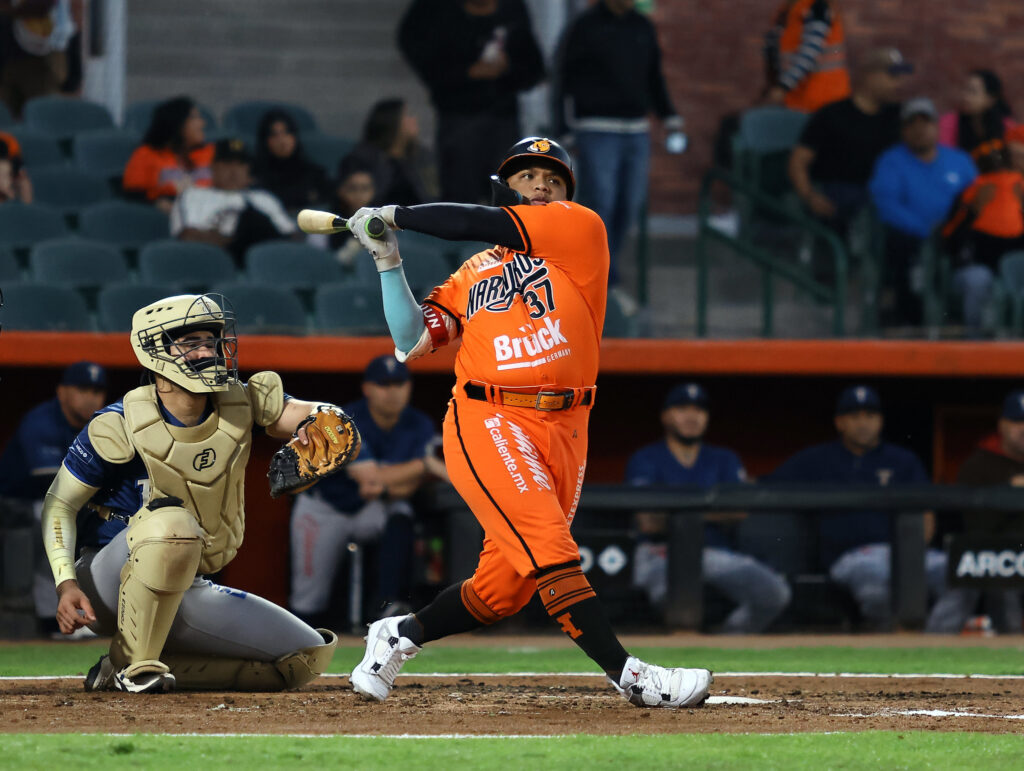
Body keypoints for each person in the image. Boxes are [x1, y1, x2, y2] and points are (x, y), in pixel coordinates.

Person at [342, 136, 712, 709]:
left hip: (567, 424)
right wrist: (388, 258)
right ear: (503, 187)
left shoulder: (581, 233)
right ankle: (634, 677)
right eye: (526, 176)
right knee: (550, 544)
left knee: (504, 590)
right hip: (487, 414)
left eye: (552, 177)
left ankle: (399, 634)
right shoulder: (472, 273)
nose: (540, 184)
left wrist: (398, 214)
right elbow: (412, 342)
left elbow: (480, 222)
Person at [40, 293, 338, 693]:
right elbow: (60, 504)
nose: (207, 352)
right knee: (172, 521)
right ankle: (138, 666)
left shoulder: (240, 401)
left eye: (212, 342)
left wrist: (326, 422)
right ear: (156, 351)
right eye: (191, 343)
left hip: (187, 580)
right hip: (108, 579)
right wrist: (65, 583)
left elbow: (310, 414)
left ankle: (118, 665)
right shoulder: (119, 423)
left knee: (304, 657)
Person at [767, 385, 945, 629]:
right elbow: (764, 488)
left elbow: (926, 514)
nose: (863, 423)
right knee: (875, 587)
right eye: (855, 416)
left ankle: (938, 643)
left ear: (881, 421)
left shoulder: (903, 460)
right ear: (840, 422)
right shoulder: (817, 459)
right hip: (853, 557)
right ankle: (887, 649)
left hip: (903, 552)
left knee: (955, 574)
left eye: (870, 416)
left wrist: (912, 556)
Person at [290, 354, 444, 626]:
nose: (392, 392)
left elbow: (402, 488)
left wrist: (402, 478)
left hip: (371, 508)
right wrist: (423, 464)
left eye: (399, 384)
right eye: (384, 384)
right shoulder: (346, 419)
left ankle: (388, 604)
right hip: (325, 507)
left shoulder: (418, 423)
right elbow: (370, 482)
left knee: (400, 514)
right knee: (309, 602)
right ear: (367, 388)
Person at [626, 383, 790, 634]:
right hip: (659, 551)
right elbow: (648, 522)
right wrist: (710, 511)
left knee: (773, 593)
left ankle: (725, 645)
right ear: (666, 416)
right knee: (668, 597)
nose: (692, 416)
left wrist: (680, 514)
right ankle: (675, 651)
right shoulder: (646, 459)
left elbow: (739, 511)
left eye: (699, 410)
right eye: (682, 409)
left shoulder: (724, 459)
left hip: (712, 551)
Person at [555, 0, 683, 291]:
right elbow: (565, 79)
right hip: (597, 127)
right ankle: (601, 274)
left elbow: (654, 76)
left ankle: (605, 263)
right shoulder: (585, 26)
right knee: (602, 201)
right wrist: (564, 129)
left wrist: (670, 116)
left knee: (630, 202)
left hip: (636, 129)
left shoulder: (642, 26)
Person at [397, 0, 544, 204]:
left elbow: (534, 65)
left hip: (503, 114)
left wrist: (508, 69)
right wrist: (464, 73)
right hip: (458, 114)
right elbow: (413, 43)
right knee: (460, 195)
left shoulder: (513, 11)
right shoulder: (435, 11)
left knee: (508, 194)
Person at [0, 361, 105, 636]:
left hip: (52, 505)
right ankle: (54, 620)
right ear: (62, 392)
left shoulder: (101, 424)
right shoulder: (41, 421)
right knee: (57, 527)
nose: (90, 397)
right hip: (15, 504)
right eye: (82, 389)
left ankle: (63, 619)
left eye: (96, 390)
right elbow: (51, 484)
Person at [869, 98, 976, 327]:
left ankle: (964, 321)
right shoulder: (891, 161)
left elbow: (975, 198)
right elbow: (887, 205)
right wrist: (925, 229)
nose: (919, 130)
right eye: (912, 124)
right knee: (900, 245)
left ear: (937, 127)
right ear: (903, 130)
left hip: (954, 236)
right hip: (912, 235)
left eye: (925, 123)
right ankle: (909, 319)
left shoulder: (959, 160)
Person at [926, 389, 1024, 635]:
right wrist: (1009, 493)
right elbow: (977, 527)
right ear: (1002, 424)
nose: (1023, 429)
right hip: (998, 553)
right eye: (1017, 422)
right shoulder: (979, 464)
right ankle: (934, 646)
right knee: (982, 569)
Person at [788, 47, 910, 230]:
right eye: (892, 76)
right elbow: (798, 161)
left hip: (884, 194)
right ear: (870, 76)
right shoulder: (832, 114)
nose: (898, 83)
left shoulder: (899, 116)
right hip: (838, 194)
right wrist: (810, 196)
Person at [170, 137, 297, 265]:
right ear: (213, 167)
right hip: (209, 263)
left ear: (249, 170)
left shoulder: (264, 198)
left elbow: (289, 238)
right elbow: (187, 237)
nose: (234, 170)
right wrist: (235, 239)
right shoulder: (193, 196)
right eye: (227, 163)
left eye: (240, 164)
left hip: (265, 263)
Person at [941, 139, 1024, 333]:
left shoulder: (1019, 188)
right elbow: (948, 240)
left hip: (1018, 268)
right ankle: (976, 343)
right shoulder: (969, 193)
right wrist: (973, 211)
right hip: (978, 266)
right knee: (978, 279)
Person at [122, 96, 214, 213]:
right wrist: (156, 204)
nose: (202, 123)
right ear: (177, 122)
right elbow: (133, 197)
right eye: (194, 117)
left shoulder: (212, 152)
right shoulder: (146, 155)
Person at [340, 98, 435, 208]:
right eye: (408, 115)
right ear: (392, 120)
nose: (415, 119)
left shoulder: (422, 157)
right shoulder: (362, 159)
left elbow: (432, 195)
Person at [763, 0, 850, 113]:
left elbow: (810, 51)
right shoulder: (791, 9)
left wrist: (783, 86)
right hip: (801, 97)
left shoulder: (817, 7)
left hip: (822, 97)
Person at [0, 0, 75, 118]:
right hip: (6, 62)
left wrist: (9, 9)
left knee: (44, 115)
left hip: (34, 60)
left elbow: (44, 5)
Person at [252, 108, 330, 215]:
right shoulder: (255, 177)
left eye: (287, 132)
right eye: (274, 134)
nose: (282, 140)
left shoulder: (315, 175)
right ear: (265, 141)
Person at [939, 69, 1014, 156]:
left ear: (991, 99)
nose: (965, 96)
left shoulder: (1007, 127)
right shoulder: (949, 123)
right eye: (965, 90)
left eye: (973, 92)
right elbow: (945, 156)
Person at [329, 158, 376, 267]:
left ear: (373, 191)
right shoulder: (327, 224)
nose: (359, 195)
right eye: (353, 189)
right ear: (341, 191)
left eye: (364, 189)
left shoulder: (385, 220)